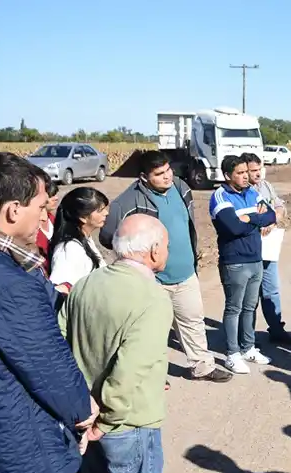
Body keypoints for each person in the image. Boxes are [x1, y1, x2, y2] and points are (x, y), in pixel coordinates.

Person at [0, 152, 95, 473]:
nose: (46, 214)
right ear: (13, 211)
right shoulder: (7, 283)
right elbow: (47, 365)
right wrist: (84, 411)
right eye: (40, 205)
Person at [59, 214, 172, 473]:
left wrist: (86, 412)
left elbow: (60, 345)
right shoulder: (152, 297)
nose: (167, 250)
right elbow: (128, 369)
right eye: (166, 245)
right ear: (152, 251)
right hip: (126, 424)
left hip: (84, 418)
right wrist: (107, 419)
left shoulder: (85, 285)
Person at [99, 150, 231, 383]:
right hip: (153, 280)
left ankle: (202, 366)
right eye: (159, 174)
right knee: (152, 331)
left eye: (168, 170)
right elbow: (108, 235)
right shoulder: (128, 202)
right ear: (143, 177)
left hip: (186, 273)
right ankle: (153, 375)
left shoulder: (181, 188)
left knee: (193, 321)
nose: (167, 176)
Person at [209, 155, 278, 373]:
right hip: (234, 262)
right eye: (240, 173)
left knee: (250, 307)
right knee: (234, 308)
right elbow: (233, 228)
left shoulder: (252, 193)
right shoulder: (220, 197)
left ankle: (248, 347)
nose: (246, 176)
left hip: (256, 258)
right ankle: (232, 353)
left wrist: (250, 219)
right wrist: (255, 219)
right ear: (228, 175)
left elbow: (272, 215)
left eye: (246, 172)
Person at [240, 152, 291, 345]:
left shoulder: (265, 186)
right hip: (248, 249)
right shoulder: (240, 193)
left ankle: (276, 330)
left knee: (271, 291)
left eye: (259, 169)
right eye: (252, 171)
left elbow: (280, 206)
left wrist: (273, 220)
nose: (257, 174)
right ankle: (245, 337)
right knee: (248, 296)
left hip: (268, 248)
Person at [48, 187, 109, 292]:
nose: (106, 213)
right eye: (100, 210)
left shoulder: (85, 238)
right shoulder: (69, 249)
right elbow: (60, 289)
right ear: (83, 217)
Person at [36, 172, 59, 270]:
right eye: (51, 196)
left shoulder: (54, 219)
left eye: (56, 194)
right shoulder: (31, 227)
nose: (56, 198)